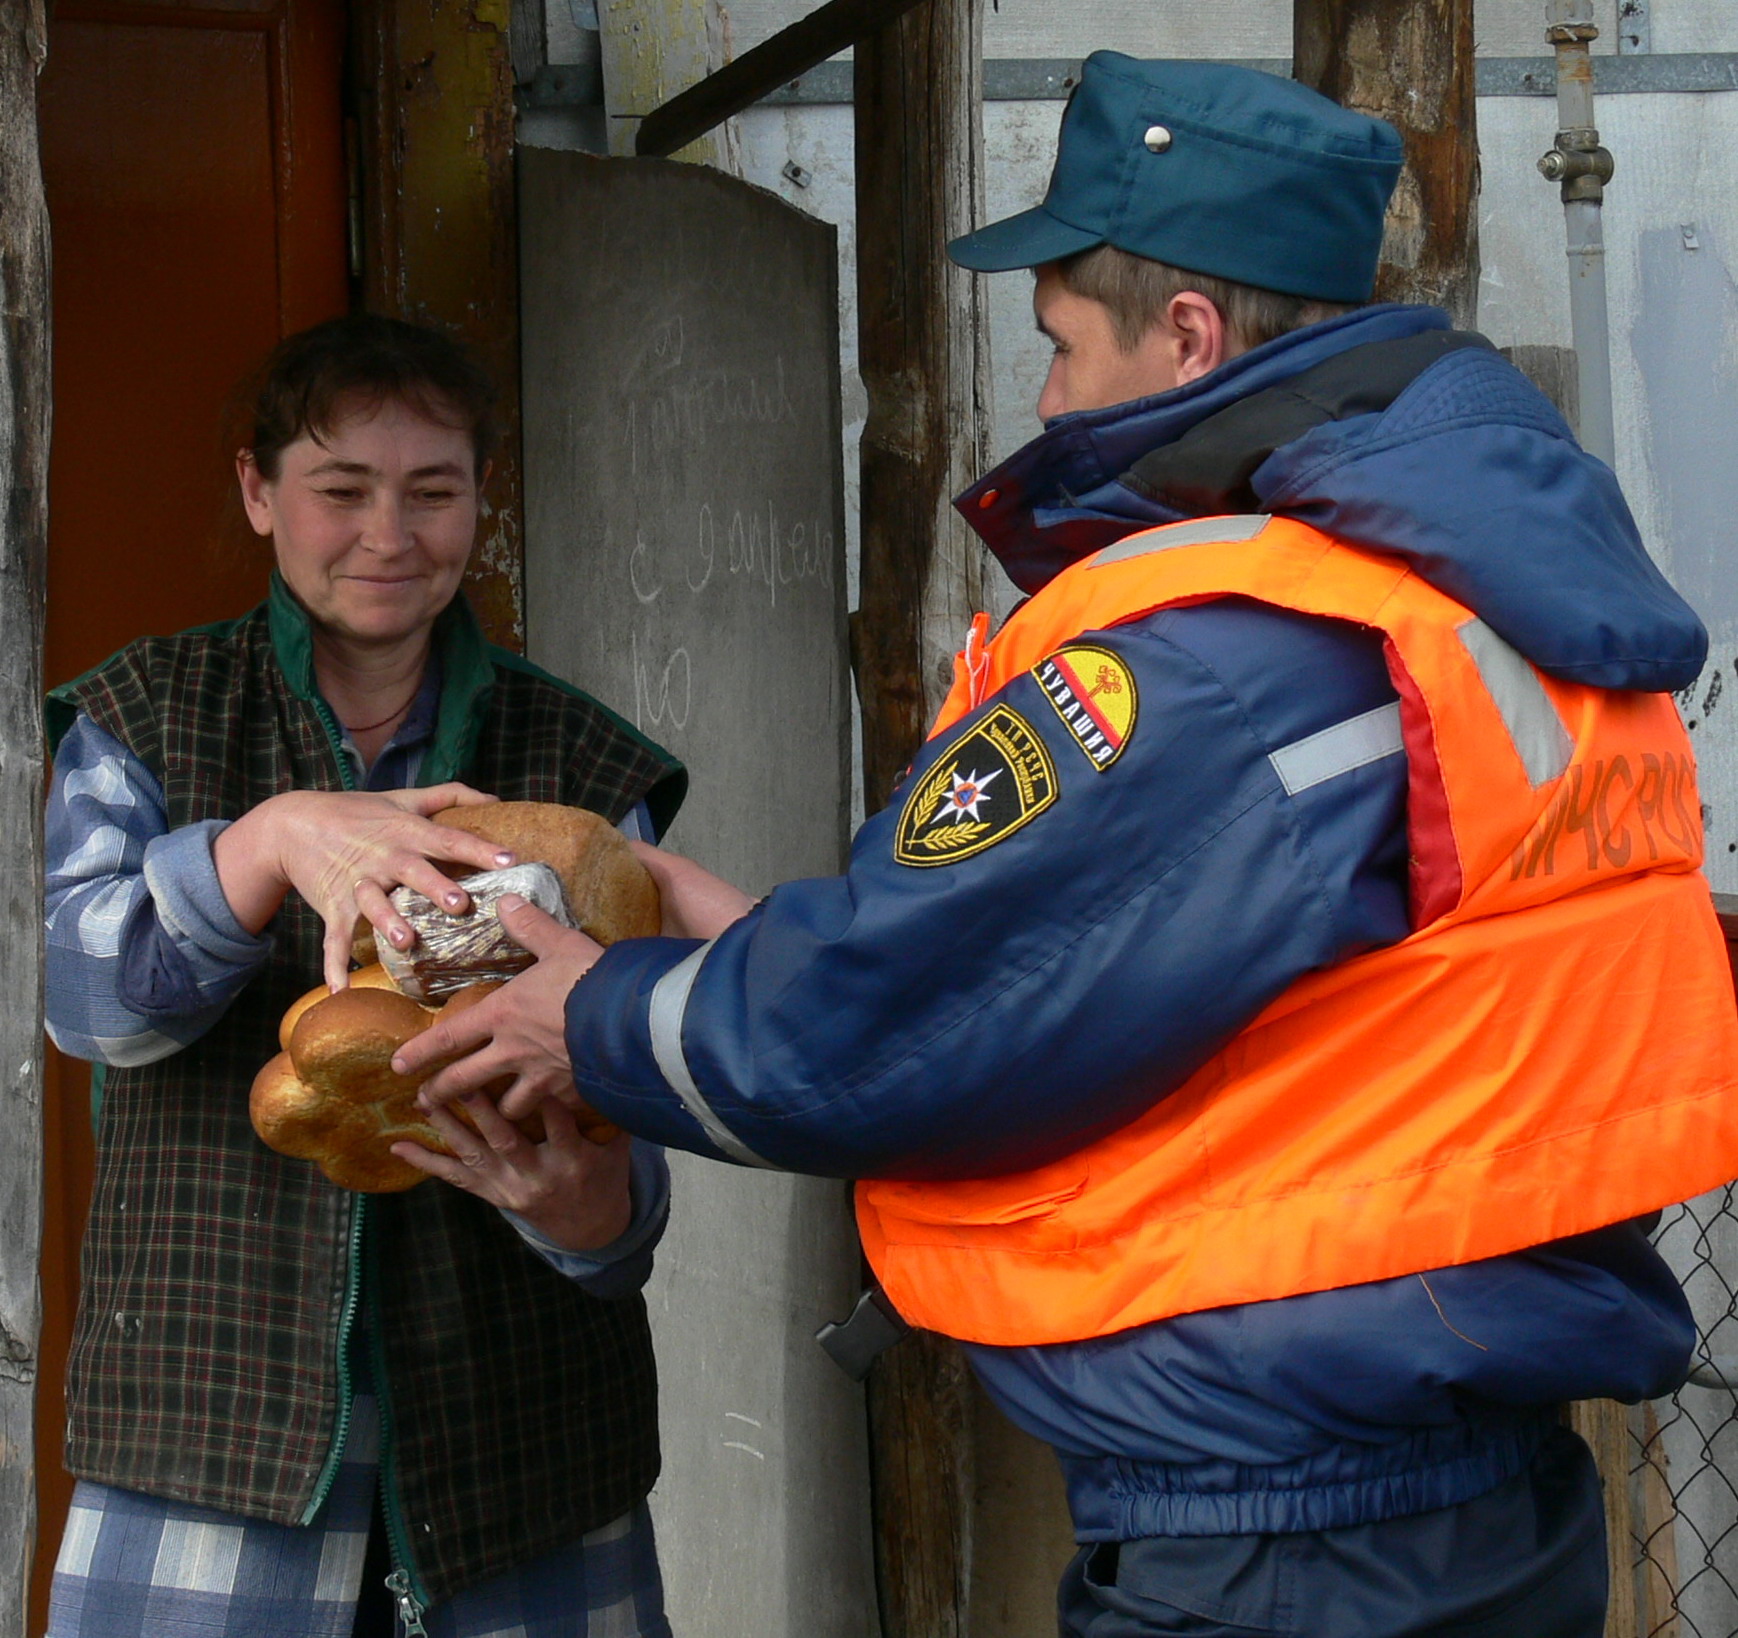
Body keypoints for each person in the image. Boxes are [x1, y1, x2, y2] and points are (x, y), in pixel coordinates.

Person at [398, 56, 1738, 1637]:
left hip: (1276, 1539)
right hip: (1457, 1485)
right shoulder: (1467, 584)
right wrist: (764, 929)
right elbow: (1249, 997)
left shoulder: (1230, 652)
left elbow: (908, 1013)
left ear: (1184, 338)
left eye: (1055, 345)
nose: (1040, 400)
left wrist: (597, 1008)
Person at [43, 313, 685, 1638]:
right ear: (257, 489)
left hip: (524, 1450)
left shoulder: (582, 767)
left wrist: (597, 1215)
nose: (388, 532)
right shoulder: (140, 717)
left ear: (478, 501)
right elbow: (80, 1006)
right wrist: (268, 841)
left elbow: (640, 1096)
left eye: (432, 490)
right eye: (342, 488)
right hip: (206, 1429)